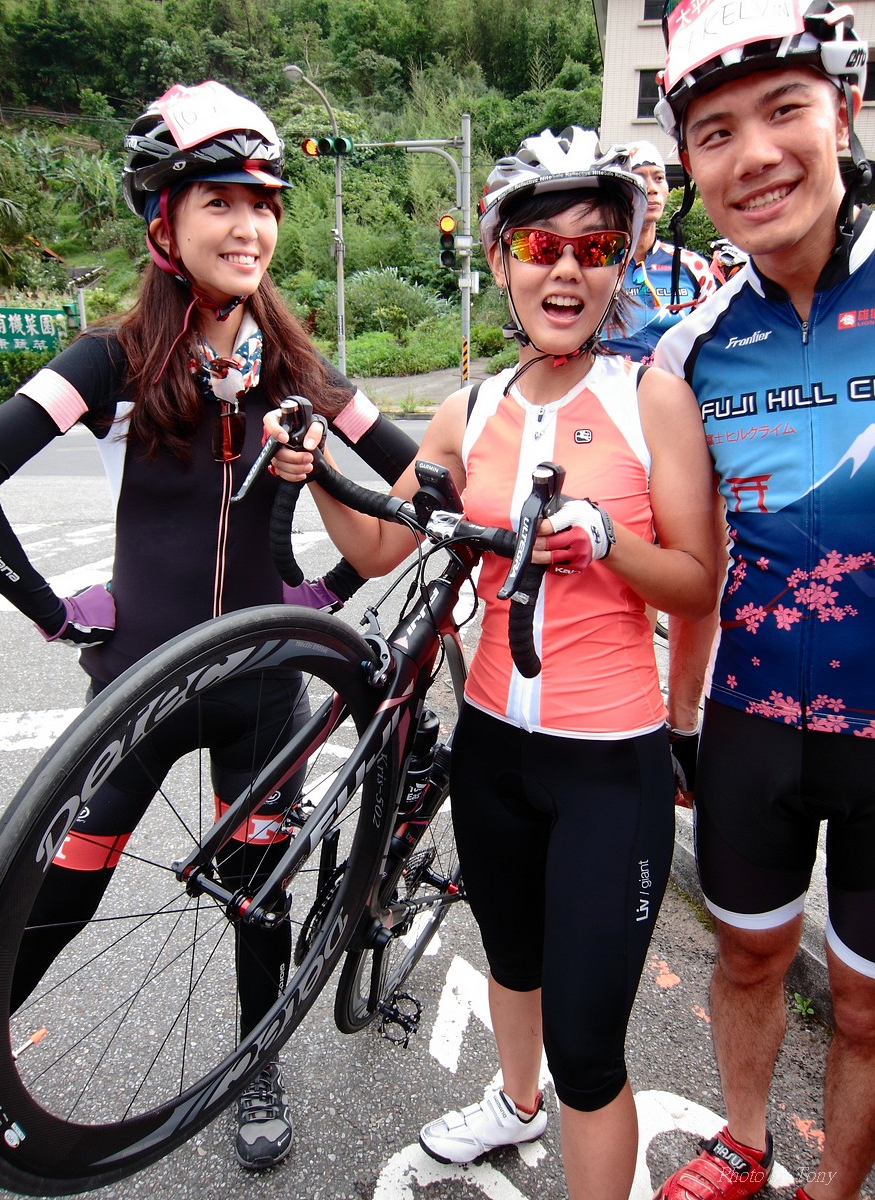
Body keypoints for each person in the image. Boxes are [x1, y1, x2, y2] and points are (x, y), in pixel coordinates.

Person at [268, 127, 719, 1200]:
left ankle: (557, 1109)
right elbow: (380, 545)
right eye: (539, 245)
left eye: (594, 247)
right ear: (501, 260)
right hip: (494, 751)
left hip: (610, 767)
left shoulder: (650, 398)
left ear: (621, 263)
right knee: (511, 959)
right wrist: (317, 467)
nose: (566, 269)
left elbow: (699, 582)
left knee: (591, 1052)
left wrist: (608, 541)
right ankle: (514, 1105)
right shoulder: (470, 411)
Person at [0, 80, 417, 1172]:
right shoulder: (113, 357)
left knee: (259, 898)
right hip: (140, 686)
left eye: (264, 203)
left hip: (266, 688)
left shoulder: (297, 364)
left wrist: (325, 590)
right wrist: (51, 612)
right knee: (61, 890)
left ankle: (256, 1061)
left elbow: (422, 484)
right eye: (220, 201)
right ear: (163, 223)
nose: (249, 225)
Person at [651, 2, 875, 1197]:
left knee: (868, 1007)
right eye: (716, 132)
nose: (755, 156)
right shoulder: (690, 352)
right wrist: (680, 720)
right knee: (746, 958)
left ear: (844, 110)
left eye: (785, 109)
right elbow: (697, 567)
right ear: (690, 167)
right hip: (753, 719)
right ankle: (745, 1141)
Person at [602, 139, 718, 363]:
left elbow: (712, 345)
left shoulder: (693, 266)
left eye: (659, 178)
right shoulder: (594, 261)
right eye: (638, 177)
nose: (652, 188)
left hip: (674, 382)